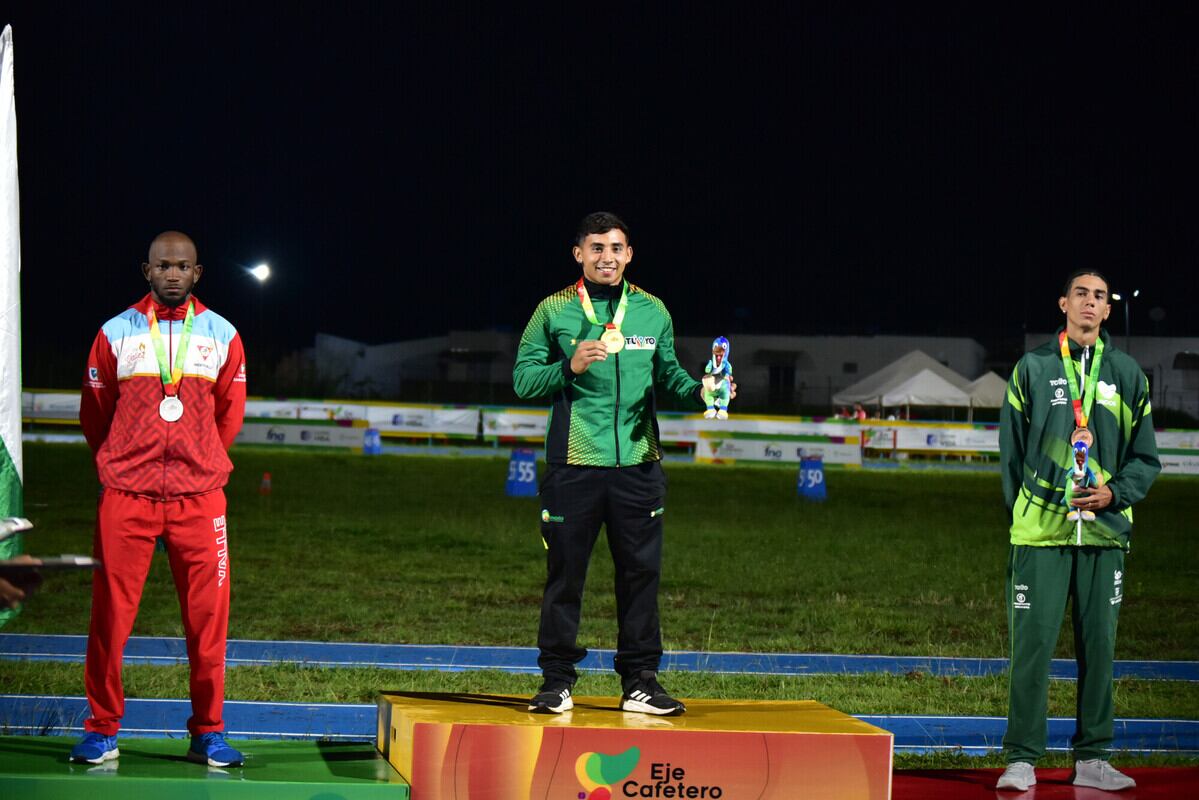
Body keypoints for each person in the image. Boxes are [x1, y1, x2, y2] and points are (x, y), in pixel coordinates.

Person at [513, 212, 731, 716]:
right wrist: (569, 366)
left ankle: (640, 682)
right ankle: (556, 682)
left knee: (640, 576)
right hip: (573, 466)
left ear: (629, 254)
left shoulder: (653, 312)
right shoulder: (554, 310)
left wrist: (703, 391)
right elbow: (523, 379)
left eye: (615, 248)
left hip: (638, 467)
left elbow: (671, 376)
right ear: (579, 255)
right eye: (596, 248)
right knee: (565, 576)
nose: (606, 257)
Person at [72, 231, 247, 767]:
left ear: (198, 274)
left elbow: (228, 415)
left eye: (183, 266)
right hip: (127, 497)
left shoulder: (221, 334)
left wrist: (199, 463)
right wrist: (123, 461)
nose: (172, 273)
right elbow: (94, 412)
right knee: (110, 619)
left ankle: (208, 732)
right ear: (145, 270)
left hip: (200, 500)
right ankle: (102, 730)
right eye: (163, 265)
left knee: (208, 621)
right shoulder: (116, 332)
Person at [996, 270, 1160, 792]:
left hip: (1105, 534)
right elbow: (1011, 455)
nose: (1091, 303)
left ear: (1108, 310)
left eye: (1100, 297)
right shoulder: (1034, 368)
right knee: (1032, 650)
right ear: (1064, 302)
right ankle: (1022, 758)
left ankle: (1092, 757)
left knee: (1100, 649)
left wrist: (1116, 494)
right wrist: (1027, 515)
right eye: (1082, 294)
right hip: (1041, 537)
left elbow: (1146, 458)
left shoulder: (1129, 375)